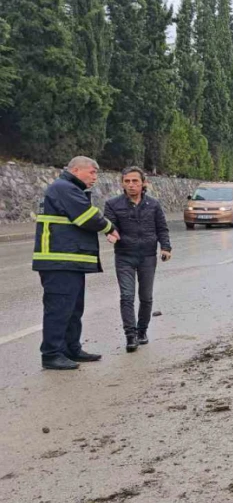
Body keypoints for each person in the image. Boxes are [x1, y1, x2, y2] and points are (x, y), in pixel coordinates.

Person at [32, 156, 120, 370]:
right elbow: (86, 217)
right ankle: (52, 354)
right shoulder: (64, 188)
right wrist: (109, 227)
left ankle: (71, 348)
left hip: (68, 261)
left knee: (73, 309)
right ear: (76, 170)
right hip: (58, 261)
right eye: (92, 172)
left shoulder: (68, 188)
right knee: (59, 309)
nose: (95, 177)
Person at [103, 166, 172, 353]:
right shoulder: (113, 204)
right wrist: (111, 234)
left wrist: (165, 247)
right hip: (124, 256)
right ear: (122, 184)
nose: (131, 185)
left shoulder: (153, 205)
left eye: (135, 181)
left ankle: (142, 331)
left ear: (143, 183)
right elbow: (110, 226)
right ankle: (130, 335)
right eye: (127, 181)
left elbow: (162, 228)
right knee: (127, 296)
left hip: (148, 256)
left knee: (146, 297)